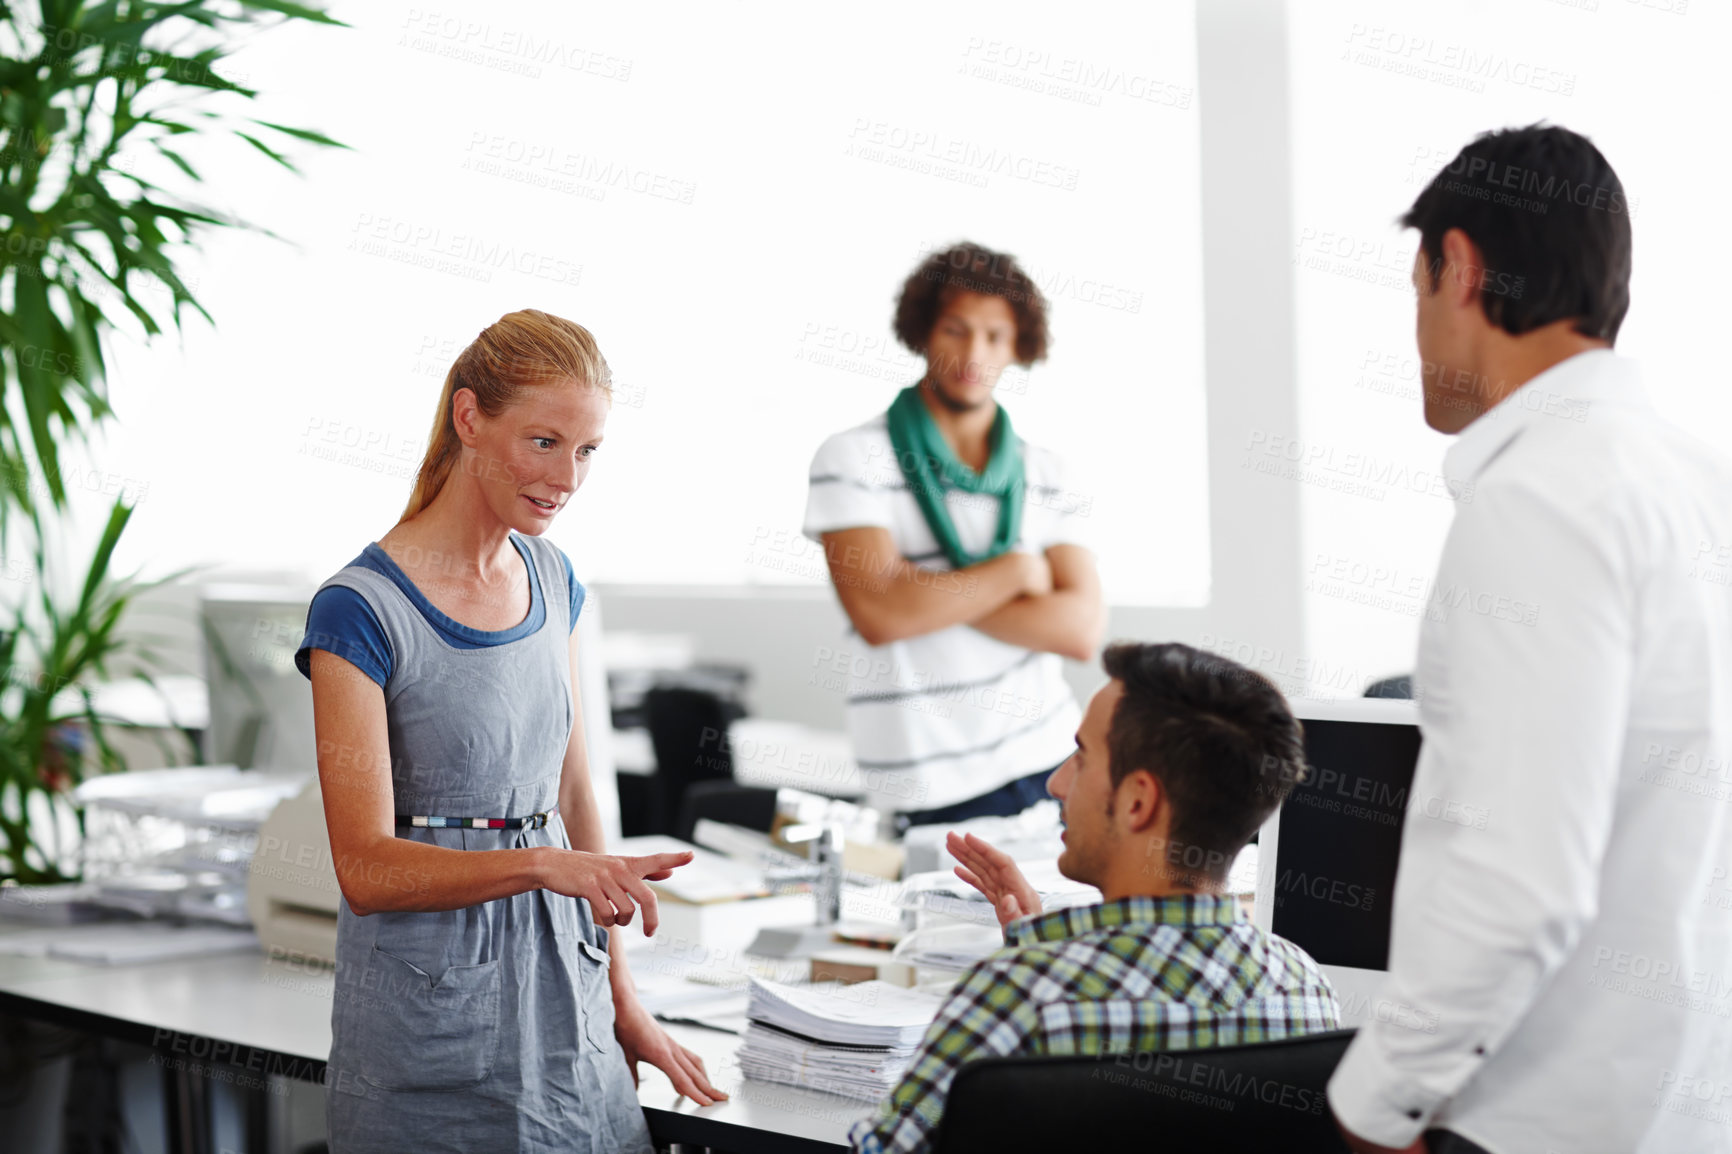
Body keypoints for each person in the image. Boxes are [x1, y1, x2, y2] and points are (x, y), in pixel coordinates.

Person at [1327, 125, 1732, 1154]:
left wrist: (1375, 1104)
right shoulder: (1699, 482)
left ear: (1457, 267)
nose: (1415, 336)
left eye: (1414, 292)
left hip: (1540, 1120)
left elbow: (1520, 876)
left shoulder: (1540, 498)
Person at [295, 309, 726, 1153]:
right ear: (469, 419)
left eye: (588, 450)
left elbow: (572, 790)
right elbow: (367, 869)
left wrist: (624, 1001)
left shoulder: (553, 576)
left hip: (571, 1008)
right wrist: (543, 862)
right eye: (543, 442)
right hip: (428, 1027)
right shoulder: (359, 610)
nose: (567, 476)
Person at [850, 641, 1342, 1153]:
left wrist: (1032, 968)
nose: (1057, 783)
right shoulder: (1304, 992)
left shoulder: (1020, 998)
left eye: (1081, 755)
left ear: (1137, 801)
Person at [803, 241, 1106, 829]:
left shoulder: (1047, 473)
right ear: (922, 332)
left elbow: (1078, 631)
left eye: (995, 336)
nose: (974, 353)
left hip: (1048, 761)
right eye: (955, 330)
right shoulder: (853, 456)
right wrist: (1015, 573)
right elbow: (881, 615)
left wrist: (921, 589)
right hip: (923, 783)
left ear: (1019, 346)